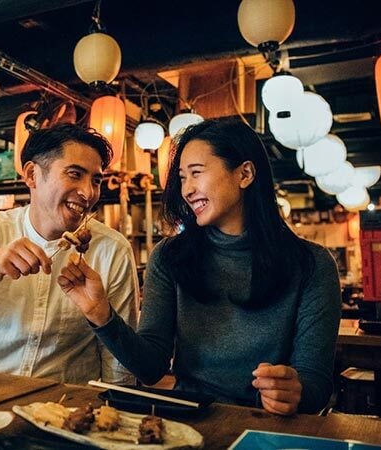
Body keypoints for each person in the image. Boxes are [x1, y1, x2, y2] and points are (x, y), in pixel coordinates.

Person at [57, 118, 341, 415]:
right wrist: (100, 314)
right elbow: (152, 368)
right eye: (182, 178)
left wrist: (294, 391)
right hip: (190, 419)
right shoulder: (170, 257)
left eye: (196, 173)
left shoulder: (313, 266)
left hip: (270, 427)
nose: (187, 190)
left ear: (245, 174)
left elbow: (316, 384)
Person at [0, 124, 138, 384]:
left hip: (64, 406)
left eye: (96, 180)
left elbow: (118, 359)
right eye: (75, 174)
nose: (88, 192)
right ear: (32, 175)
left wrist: (110, 411)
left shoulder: (112, 249)